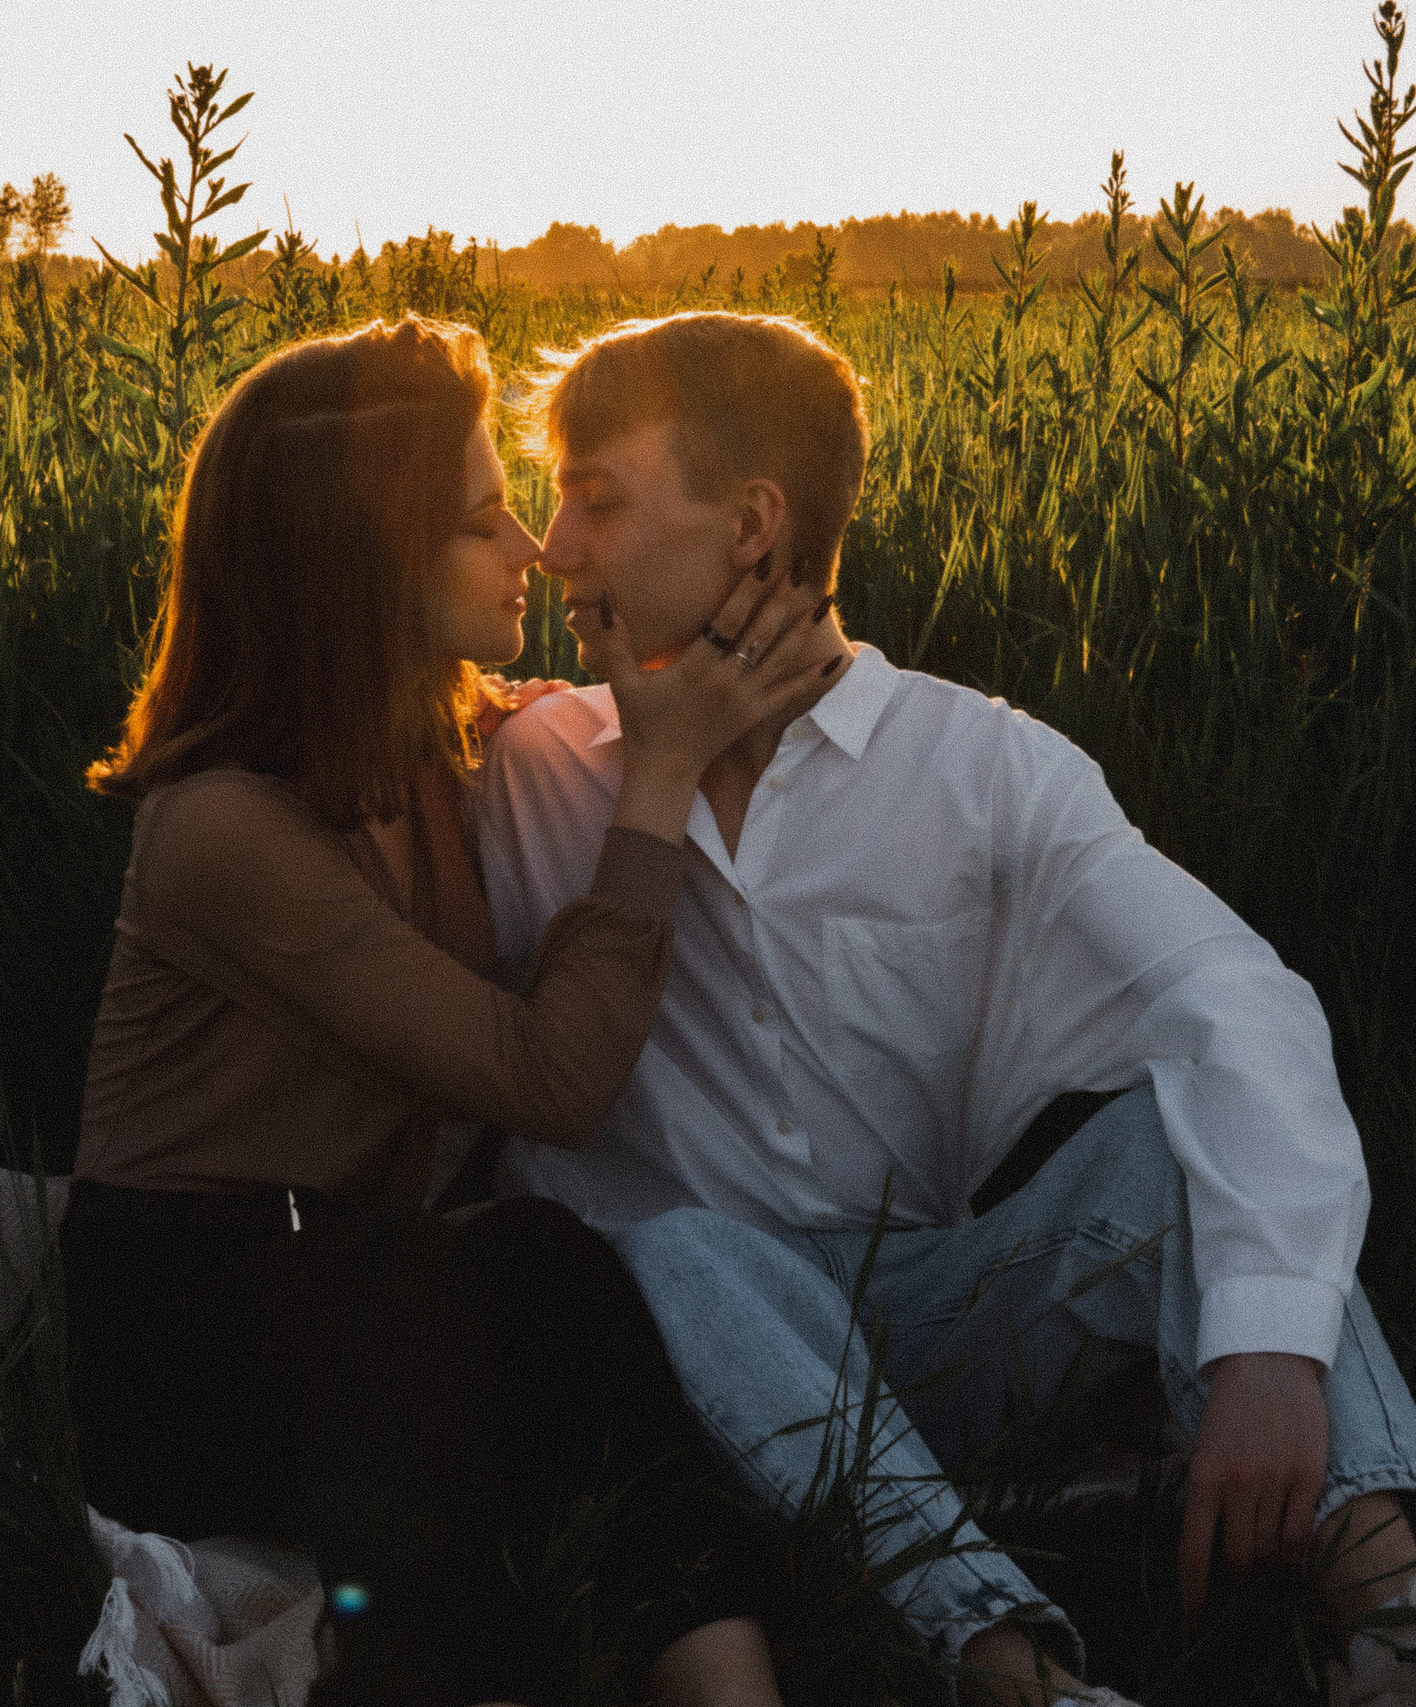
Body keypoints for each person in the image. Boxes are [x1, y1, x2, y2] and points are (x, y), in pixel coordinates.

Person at [473, 311, 1416, 1707]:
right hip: (671, 1373)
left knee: (1170, 1142)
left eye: (595, 498)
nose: (552, 546)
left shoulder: (984, 770)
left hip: (931, 1326)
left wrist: (1269, 1344)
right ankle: (1011, 1670)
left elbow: (1230, 999)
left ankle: (1410, 1623)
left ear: (754, 524)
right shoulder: (527, 761)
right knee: (672, 1248)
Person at [64, 314, 845, 1707]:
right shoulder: (222, 834)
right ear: (366, 567)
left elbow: (571, 711)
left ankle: (725, 1685)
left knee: (527, 1303)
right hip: (186, 1329)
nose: (536, 550)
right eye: (487, 521)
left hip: (352, 1277)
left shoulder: (441, 742)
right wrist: (657, 780)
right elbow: (551, 1083)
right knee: (516, 1288)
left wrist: (721, 659)